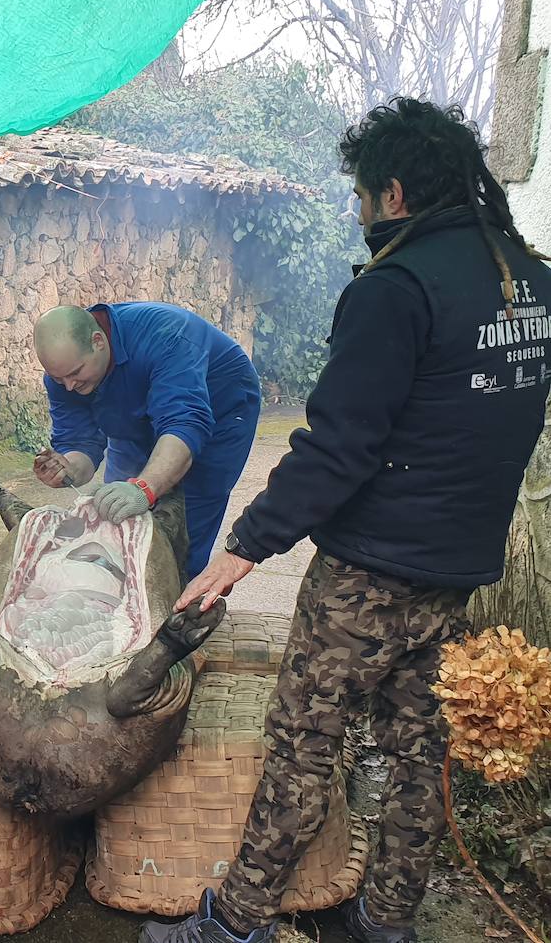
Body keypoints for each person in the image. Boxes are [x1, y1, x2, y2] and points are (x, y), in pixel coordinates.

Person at [143, 98, 551, 943]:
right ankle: (386, 922)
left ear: (393, 194)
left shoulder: (394, 289)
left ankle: (237, 923)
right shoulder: (533, 282)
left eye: (361, 195)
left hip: (369, 574)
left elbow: (339, 448)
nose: (357, 211)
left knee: (305, 745)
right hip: (457, 568)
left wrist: (245, 546)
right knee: (415, 755)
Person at [33, 303, 261, 577]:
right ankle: (124, 602)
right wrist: (67, 469)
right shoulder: (66, 374)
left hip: (219, 410)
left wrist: (145, 487)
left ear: (98, 342)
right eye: (59, 379)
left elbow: (184, 423)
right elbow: (80, 443)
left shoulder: (167, 334)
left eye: (75, 373)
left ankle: (178, 599)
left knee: (185, 523)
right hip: (135, 418)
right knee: (116, 516)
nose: (69, 386)